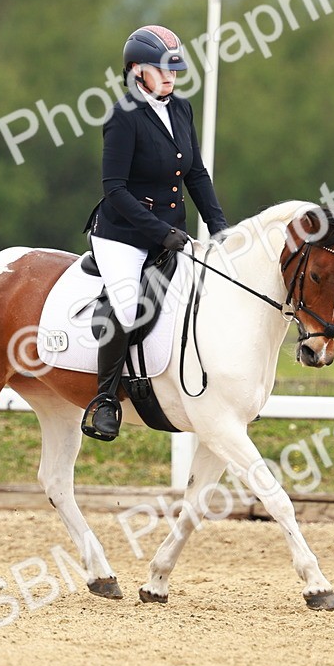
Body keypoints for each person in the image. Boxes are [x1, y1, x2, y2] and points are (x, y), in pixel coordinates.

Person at [80, 24, 230, 441]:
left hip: (171, 232)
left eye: (174, 69)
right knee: (126, 309)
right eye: (161, 69)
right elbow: (114, 190)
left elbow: (195, 173)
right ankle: (105, 400)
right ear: (135, 70)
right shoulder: (122, 117)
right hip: (122, 236)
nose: (170, 77)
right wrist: (160, 233)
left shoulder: (180, 108)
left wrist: (219, 227)